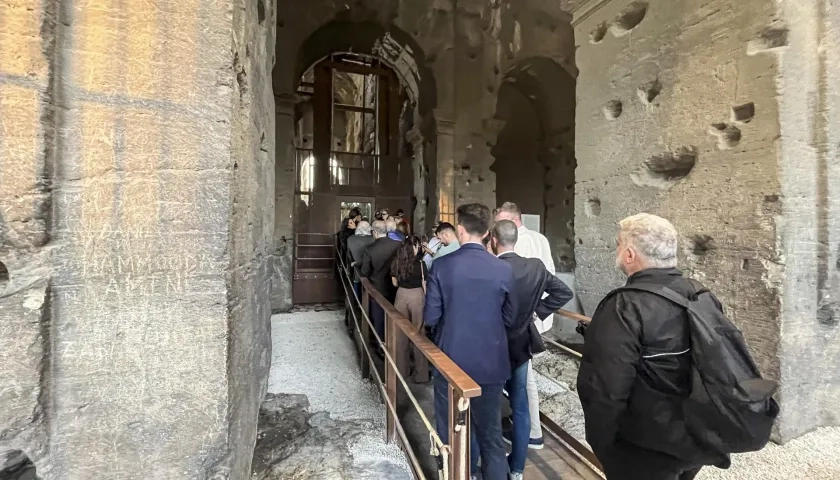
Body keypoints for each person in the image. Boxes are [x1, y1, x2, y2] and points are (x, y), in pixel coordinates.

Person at [576, 214, 709, 480]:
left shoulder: (624, 307)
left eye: (617, 244)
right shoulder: (700, 294)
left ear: (628, 254)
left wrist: (603, 444)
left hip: (645, 446)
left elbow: (605, 388)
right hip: (696, 434)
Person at [425, 203, 515, 480]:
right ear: (488, 233)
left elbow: (430, 317)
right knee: (491, 435)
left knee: (451, 431)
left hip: (451, 360)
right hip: (491, 360)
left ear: (460, 231)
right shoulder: (503, 269)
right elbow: (510, 317)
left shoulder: (441, 265)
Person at [490, 220, 573, 479]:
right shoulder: (535, 267)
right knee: (521, 404)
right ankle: (517, 468)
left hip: (492, 344)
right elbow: (563, 292)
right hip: (522, 343)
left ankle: (490, 464)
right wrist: (538, 311)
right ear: (516, 238)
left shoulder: (491, 267)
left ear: (493, 240)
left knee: (490, 404)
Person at [494, 201, 555, 449]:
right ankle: (524, 422)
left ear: (513, 220)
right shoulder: (540, 238)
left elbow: (520, 282)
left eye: (500, 223)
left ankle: (532, 432)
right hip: (532, 316)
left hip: (521, 318)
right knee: (523, 373)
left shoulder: (521, 243)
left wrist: (531, 311)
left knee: (524, 377)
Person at [390, 235, 429, 383]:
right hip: (417, 296)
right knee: (419, 334)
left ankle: (401, 371)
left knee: (400, 335)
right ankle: (421, 374)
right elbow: (425, 286)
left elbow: (394, 283)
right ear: (413, 247)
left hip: (401, 295)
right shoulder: (421, 264)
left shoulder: (396, 263)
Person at [359, 220, 402, 341]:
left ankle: (380, 344)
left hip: (377, 289)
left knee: (378, 319)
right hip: (395, 287)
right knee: (394, 317)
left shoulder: (370, 249)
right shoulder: (398, 244)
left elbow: (364, 271)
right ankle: (393, 342)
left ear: (375, 232)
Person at [347, 220, 374, 300]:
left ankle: (356, 301)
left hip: (356, 269)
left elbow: (348, 253)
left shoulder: (350, 239)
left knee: (356, 284)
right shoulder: (372, 239)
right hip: (370, 270)